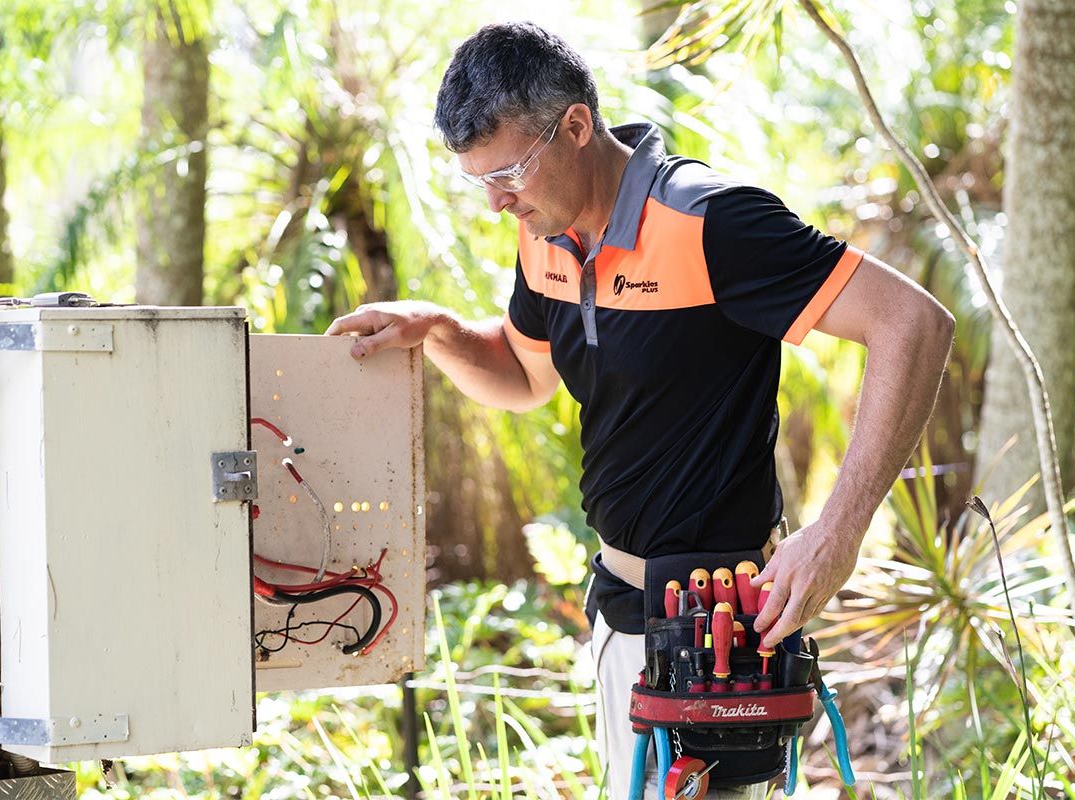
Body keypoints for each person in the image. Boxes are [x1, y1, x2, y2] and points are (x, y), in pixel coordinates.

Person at [326, 21, 954, 800]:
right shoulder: (545, 238)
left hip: (720, 633)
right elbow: (525, 377)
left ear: (578, 127)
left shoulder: (713, 222)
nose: (495, 202)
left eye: (509, 173)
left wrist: (838, 532)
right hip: (620, 612)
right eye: (478, 181)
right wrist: (440, 331)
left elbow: (914, 323)